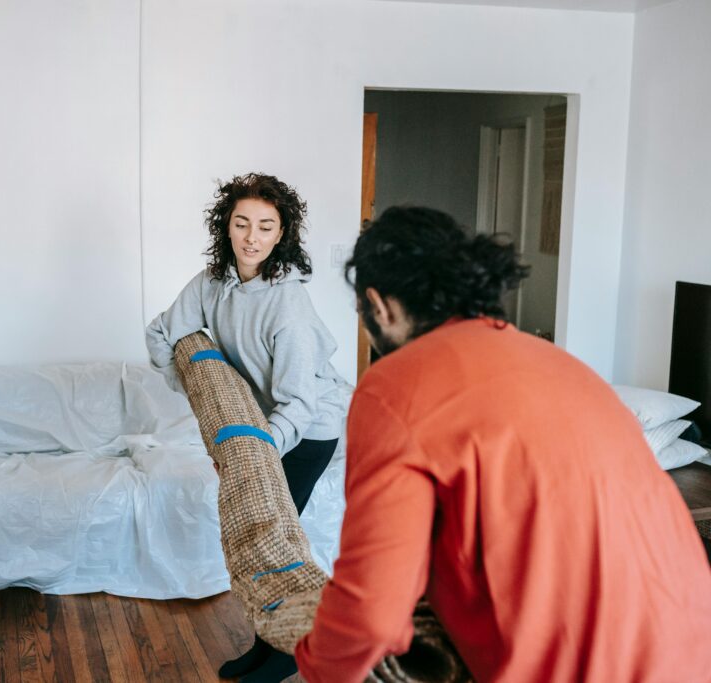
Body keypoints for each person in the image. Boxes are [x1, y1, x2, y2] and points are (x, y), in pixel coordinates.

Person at [294, 206, 711, 682]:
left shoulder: (395, 386)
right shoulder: (563, 366)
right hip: (694, 649)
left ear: (379, 304)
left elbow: (373, 611)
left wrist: (315, 666)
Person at [146, 172, 347, 683]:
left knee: (273, 537)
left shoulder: (288, 306)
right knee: (261, 535)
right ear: (227, 228)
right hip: (259, 423)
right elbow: (165, 330)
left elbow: (299, 403)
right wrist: (188, 380)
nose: (252, 237)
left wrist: (256, 449)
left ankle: (283, 655)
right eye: (242, 224)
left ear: (281, 234)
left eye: (265, 226)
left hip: (308, 428)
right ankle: (264, 649)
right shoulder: (214, 283)